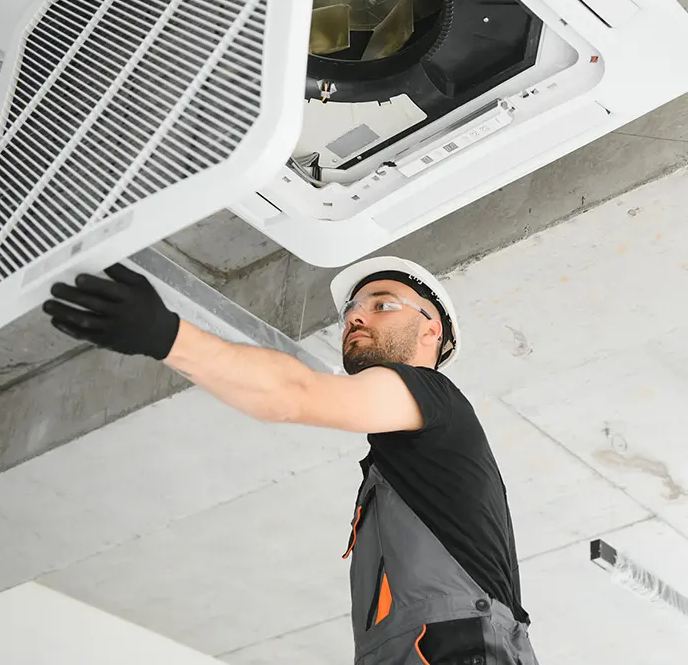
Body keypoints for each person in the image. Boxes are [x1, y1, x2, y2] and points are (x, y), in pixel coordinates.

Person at [43, 255, 538, 665]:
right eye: (352, 309)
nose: (355, 317)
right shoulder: (401, 462)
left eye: (382, 304)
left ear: (432, 331)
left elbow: (292, 392)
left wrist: (164, 334)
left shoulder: (434, 398)